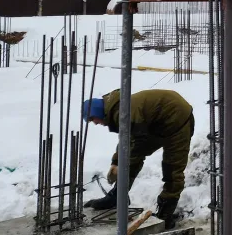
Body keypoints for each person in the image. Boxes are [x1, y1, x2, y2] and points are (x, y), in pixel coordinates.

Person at [82, 89, 194, 229]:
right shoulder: (117, 110)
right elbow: (126, 138)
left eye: (93, 119)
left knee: (172, 168)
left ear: (98, 112)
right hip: (157, 122)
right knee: (132, 158)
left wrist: (120, 163)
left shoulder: (123, 111)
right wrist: (116, 162)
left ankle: (166, 211)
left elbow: (134, 143)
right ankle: (117, 196)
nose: (95, 123)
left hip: (177, 120)